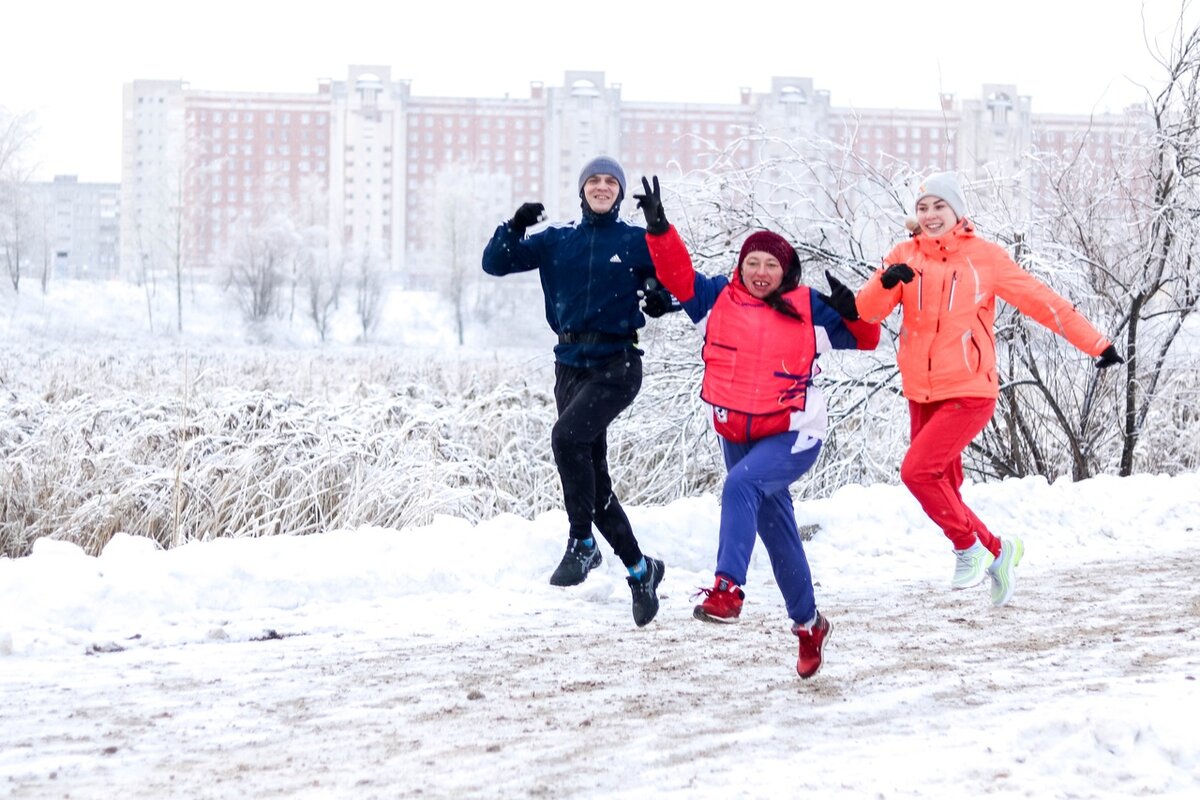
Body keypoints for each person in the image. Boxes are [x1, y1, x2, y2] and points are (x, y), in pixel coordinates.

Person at [634, 176, 881, 678]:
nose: (761, 271)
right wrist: (659, 228)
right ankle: (809, 625)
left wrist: (856, 308)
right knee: (778, 531)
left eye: (772, 264)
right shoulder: (714, 300)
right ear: (740, 267)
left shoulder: (809, 309)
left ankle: (727, 590)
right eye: (753, 263)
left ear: (786, 271)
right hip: (737, 432)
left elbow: (867, 338)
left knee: (741, 484)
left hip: (794, 433)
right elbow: (678, 274)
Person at [855, 171, 1124, 607]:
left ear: (957, 211)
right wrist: (886, 281)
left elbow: (1043, 301)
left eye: (939, 206)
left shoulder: (985, 258)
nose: (930, 215)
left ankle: (968, 549)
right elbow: (867, 312)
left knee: (917, 472)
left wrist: (1097, 343)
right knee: (942, 484)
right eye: (923, 208)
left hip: (969, 389)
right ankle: (999, 552)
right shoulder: (904, 255)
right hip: (920, 391)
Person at [481, 156, 675, 627]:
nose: (603, 187)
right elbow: (494, 263)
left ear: (620, 191)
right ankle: (640, 569)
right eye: (595, 181)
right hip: (569, 365)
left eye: (611, 182)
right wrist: (514, 226)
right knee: (595, 481)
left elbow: (669, 284)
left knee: (567, 439)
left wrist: (657, 296)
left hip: (617, 364)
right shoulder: (558, 240)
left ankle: (582, 544)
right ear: (583, 189)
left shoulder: (634, 241)